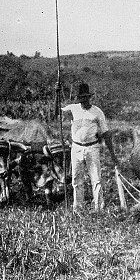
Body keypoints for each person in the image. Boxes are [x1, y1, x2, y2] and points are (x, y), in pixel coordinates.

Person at [60, 83, 114, 212]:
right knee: (76, 179)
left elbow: (106, 132)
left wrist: (113, 155)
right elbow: (57, 112)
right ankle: (78, 208)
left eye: (85, 97)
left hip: (92, 148)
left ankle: (98, 208)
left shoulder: (97, 112)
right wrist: (57, 92)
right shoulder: (73, 109)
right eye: (80, 97)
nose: (82, 100)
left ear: (89, 97)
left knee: (96, 178)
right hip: (76, 148)